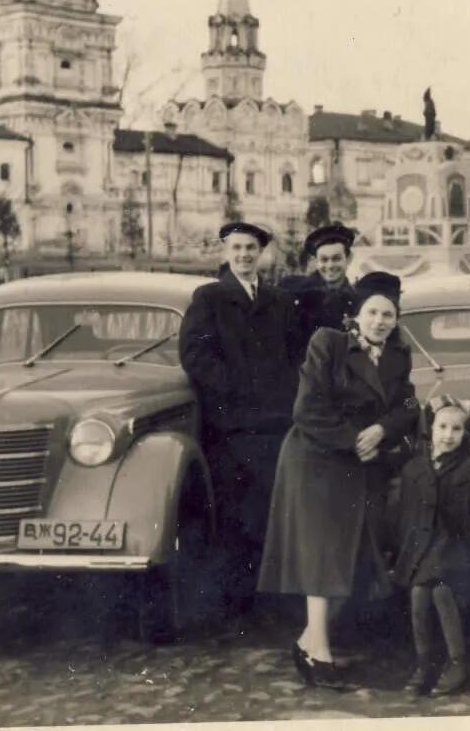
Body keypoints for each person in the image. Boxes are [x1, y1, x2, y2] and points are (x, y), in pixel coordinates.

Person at [258, 270, 419, 690]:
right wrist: (354, 441)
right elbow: (307, 409)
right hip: (316, 458)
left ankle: (308, 643)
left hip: (359, 463)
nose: (380, 321)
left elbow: (408, 405)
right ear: (356, 314)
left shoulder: (398, 355)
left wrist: (382, 430)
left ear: (396, 319)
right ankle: (319, 654)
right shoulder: (327, 343)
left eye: (388, 314)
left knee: (350, 555)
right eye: (373, 312)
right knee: (324, 554)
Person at [176, 221, 298, 621]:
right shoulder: (209, 297)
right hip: (229, 428)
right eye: (237, 248)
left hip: (274, 424)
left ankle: (268, 601)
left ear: (261, 253)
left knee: (269, 512)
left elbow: (293, 357)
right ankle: (235, 605)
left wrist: (283, 394)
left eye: (251, 248)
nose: (244, 255)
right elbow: (195, 356)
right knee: (233, 515)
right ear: (225, 252)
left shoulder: (277, 301)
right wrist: (238, 387)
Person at [396, 396, 470, 696]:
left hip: (460, 549)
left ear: (465, 434)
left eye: (456, 429)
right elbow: (407, 517)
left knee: (442, 589)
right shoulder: (414, 470)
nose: (448, 435)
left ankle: (457, 663)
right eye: (442, 427)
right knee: (419, 591)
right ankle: (424, 663)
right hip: (424, 550)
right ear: (431, 429)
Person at [284, 223, 360, 364]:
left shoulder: (357, 299)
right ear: (316, 261)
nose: (330, 266)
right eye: (324, 260)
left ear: (349, 258)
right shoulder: (298, 295)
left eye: (336, 258)